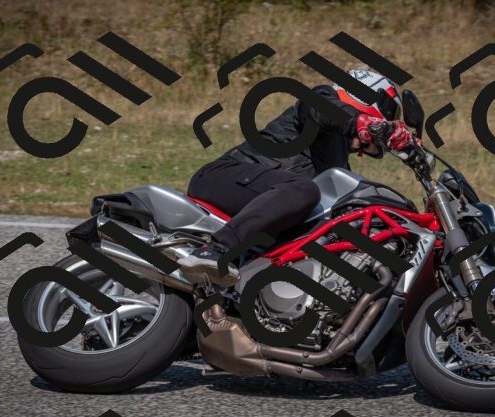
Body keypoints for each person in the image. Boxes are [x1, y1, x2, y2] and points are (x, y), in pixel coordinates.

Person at [177, 70, 420, 287]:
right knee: (304, 190)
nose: (388, 122)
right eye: (387, 113)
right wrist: (363, 123)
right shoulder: (321, 102)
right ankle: (215, 250)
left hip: (263, 205)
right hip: (223, 178)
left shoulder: (339, 162)